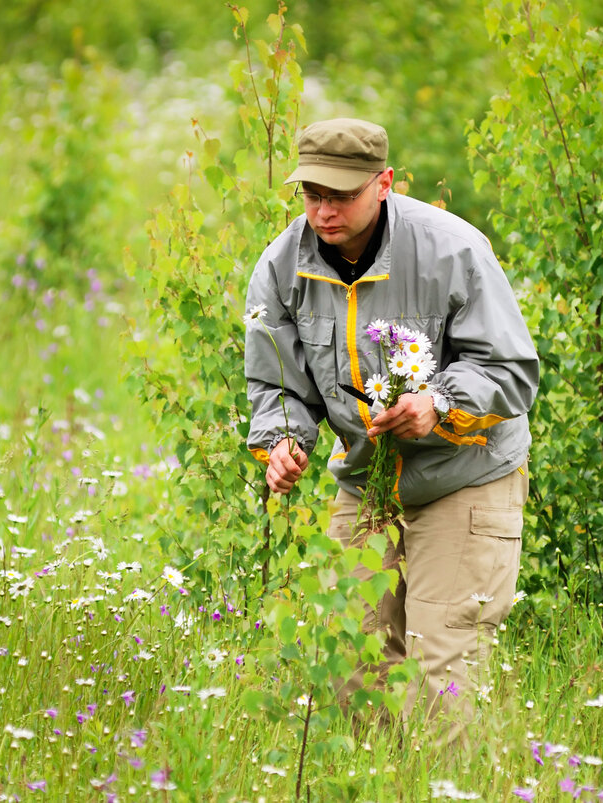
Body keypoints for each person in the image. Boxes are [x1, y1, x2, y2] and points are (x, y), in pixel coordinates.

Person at [243, 118, 539, 739]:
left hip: (465, 476)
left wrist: (441, 403)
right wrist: (284, 441)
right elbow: (278, 383)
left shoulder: (452, 249)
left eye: (341, 196)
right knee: (350, 661)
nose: (323, 212)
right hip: (367, 482)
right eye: (311, 195)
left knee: (441, 669)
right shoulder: (280, 267)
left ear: (384, 183)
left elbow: (511, 371)